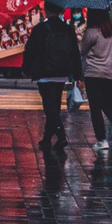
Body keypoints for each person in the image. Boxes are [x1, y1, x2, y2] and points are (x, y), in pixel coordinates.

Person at [27, 8, 82, 151]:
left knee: (50, 108)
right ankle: (46, 138)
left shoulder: (40, 29)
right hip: (62, 74)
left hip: (44, 74)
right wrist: (77, 73)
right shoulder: (67, 29)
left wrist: (27, 68)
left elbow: (30, 50)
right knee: (54, 106)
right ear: (61, 11)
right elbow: (75, 52)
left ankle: (61, 135)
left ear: (46, 10)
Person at [77, 6, 112, 147]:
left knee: (95, 107)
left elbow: (81, 50)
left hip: (94, 74)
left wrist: (79, 39)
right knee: (107, 104)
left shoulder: (92, 32)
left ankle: (101, 140)